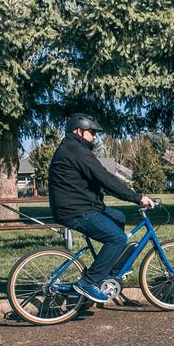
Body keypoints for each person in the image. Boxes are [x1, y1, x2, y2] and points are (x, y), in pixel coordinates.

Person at [48, 113, 154, 303]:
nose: (95, 137)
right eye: (92, 132)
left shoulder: (74, 148)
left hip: (82, 206)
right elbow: (104, 177)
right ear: (78, 131)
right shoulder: (76, 150)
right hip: (76, 211)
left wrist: (126, 195)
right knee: (117, 239)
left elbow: (100, 182)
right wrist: (137, 198)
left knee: (118, 216)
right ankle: (89, 282)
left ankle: (110, 269)